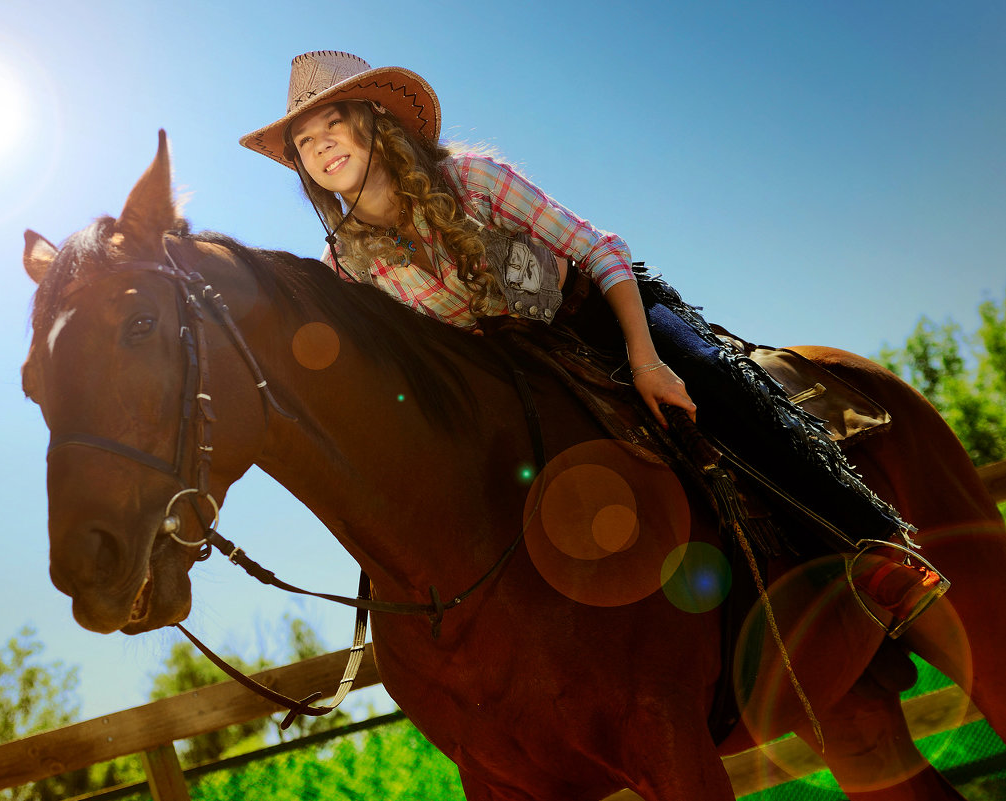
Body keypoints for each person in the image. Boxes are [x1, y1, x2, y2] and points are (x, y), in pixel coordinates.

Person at [240, 50, 946, 636]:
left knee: (707, 374)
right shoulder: (346, 270)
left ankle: (875, 543)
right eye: (305, 141)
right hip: (510, 377)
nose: (321, 144)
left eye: (335, 124)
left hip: (593, 311)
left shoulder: (471, 179)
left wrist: (643, 358)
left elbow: (599, 249)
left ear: (375, 126)